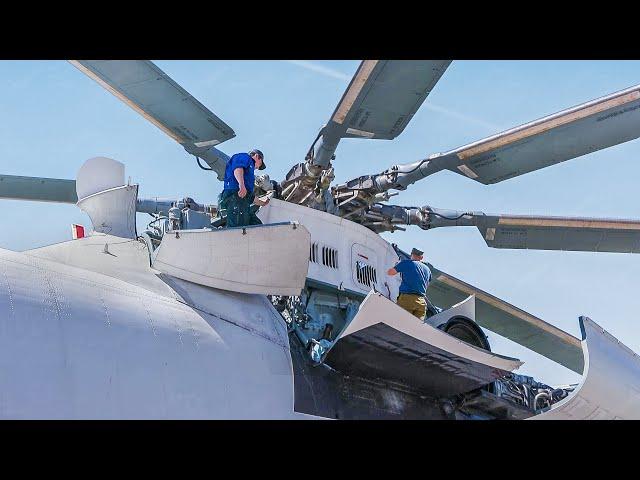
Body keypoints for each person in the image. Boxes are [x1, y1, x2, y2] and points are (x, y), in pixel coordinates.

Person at [218, 149, 270, 228]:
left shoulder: (248, 174)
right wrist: (241, 185)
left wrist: (263, 203)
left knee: (257, 226)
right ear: (256, 156)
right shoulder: (245, 157)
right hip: (235, 197)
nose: (258, 167)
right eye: (260, 163)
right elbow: (238, 168)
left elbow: (249, 195)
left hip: (244, 202)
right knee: (237, 227)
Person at [387, 247, 432, 320]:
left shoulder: (406, 263)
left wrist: (397, 265)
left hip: (407, 299)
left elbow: (390, 272)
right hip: (421, 302)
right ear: (422, 257)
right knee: (414, 328)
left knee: (398, 322)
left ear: (412, 255)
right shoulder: (428, 270)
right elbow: (427, 285)